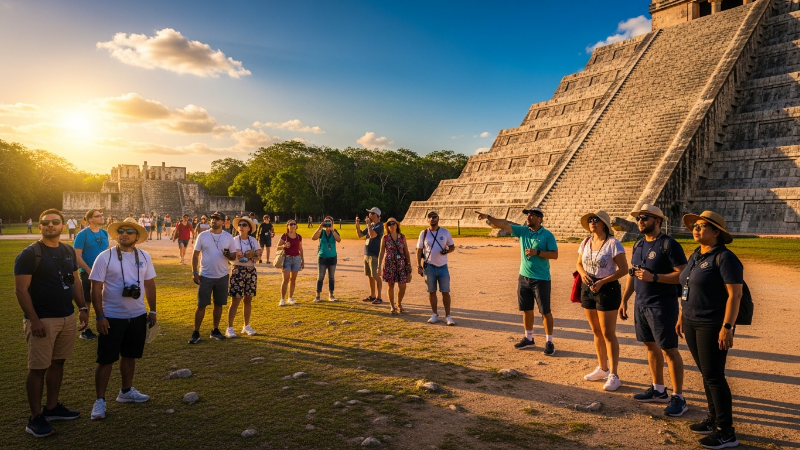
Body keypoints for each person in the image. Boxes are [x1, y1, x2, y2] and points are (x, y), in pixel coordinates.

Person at [14, 209, 89, 437]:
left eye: (55, 222)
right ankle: (35, 418)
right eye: (45, 223)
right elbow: (21, 289)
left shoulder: (67, 250)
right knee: (38, 368)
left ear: (63, 226)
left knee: (58, 363)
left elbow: (75, 281)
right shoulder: (29, 254)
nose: (50, 225)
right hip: (43, 320)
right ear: (39, 227)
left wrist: (83, 308)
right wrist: (34, 319)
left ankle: (52, 407)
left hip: (66, 316)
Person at [678, 211, 743, 449]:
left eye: (702, 226)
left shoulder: (725, 258)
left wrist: (728, 327)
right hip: (692, 320)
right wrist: (681, 315)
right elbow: (686, 286)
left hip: (712, 324)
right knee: (707, 374)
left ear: (717, 232)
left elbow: (735, 294)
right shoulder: (696, 254)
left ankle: (726, 432)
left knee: (715, 376)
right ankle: (713, 419)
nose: (696, 229)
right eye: (695, 226)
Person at [621, 204, 690, 415]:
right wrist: (624, 300)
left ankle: (678, 397)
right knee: (650, 347)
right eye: (638, 218)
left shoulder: (669, 244)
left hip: (662, 305)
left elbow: (684, 275)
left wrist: (656, 277)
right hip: (641, 304)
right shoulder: (638, 244)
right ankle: (659, 390)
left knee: (669, 350)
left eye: (645, 218)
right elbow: (633, 274)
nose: (640, 221)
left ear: (657, 221)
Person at [88, 217, 157, 420]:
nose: (124, 234)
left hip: (137, 315)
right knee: (106, 359)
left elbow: (150, 284)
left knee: (130, 355)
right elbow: (96, 288)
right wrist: (100, 316)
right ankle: (100, 400)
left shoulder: (144, 256)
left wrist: (152, 311)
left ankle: (126, 391)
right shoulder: (105, 256)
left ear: (137, 236)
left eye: (129, 231)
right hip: (112, 316)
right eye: (121, 231)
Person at [477, 207, 559, 355]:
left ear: (539, 218)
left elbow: (555, 255)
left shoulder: (547, 235)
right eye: (527, 214)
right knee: (526, 310)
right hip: (524, 277)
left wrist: (538, 252)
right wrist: (488, 216)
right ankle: (529, 339)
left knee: (545, 311)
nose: (528, 216)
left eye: (532, 214)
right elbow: (503, 225)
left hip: (541, 279)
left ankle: (550, 342)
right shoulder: (523, 231)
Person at [576, 211, 627, 391]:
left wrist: (603, 282)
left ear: (604, 224)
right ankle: (602, 368)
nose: (592, 223)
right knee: (596, 331)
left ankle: (614, 374)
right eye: (590, 220)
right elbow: (579, 263)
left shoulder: (613, 243)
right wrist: (582, 275)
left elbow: (624, 269)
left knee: (608, 333)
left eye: (595, 220)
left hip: (607, 289)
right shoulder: (586, 241)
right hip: (588, 287)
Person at [189, 211, 236, 344]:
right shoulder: (203, 236)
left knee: (219, 304)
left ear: (223, 222)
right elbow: (195, 255)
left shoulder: (228, 237)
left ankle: (215, 330)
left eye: (217, 219)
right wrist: (194, 272)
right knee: (201, 304)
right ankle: (196, 332)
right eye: (212, 218)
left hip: (222, 275)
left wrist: (227, 254)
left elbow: (233, 257)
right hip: (205, 275)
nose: (213, 220)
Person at [73, 209, 109, 340]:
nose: (101, 217)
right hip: (88, 273)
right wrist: (89, 270)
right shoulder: (82, 235)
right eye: (97, 216)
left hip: (105, 273)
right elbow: (76, 256)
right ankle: (85, 330)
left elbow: (107, 251)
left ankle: (105, 325)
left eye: (102, 215)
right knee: (87, 301)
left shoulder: (104, 233)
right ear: (90, 220)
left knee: (105, 300)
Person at [416, 211, 456, 324]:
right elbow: (419, 250)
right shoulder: (423, 233)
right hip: (429, 267)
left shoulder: (445, 232)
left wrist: (447, 250)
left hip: (443, 266)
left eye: (434, 217)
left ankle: (448, 316)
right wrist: (418, 265)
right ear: (427, 220)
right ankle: (435, 314)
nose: (432, 219)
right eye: (430, 217)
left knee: (445, 292)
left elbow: (452, 246)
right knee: (431, 292)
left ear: (438, 218)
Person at [226, 217, 261, 338]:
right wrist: (236, 254)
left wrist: (253, 254)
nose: (241, 226)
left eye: (244, 225)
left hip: (250, 270)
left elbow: (259, 255)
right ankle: (230, 328)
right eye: (239, 224)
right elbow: (228, 255)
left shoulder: (253, 240)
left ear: (249, 228)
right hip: (238, 269)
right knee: (236, 299)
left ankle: (246, 326)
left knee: (248, 298)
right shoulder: (233, 240)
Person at [380, 217, 411, 314]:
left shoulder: (402, 237)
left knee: (402, 286)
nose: (391, 225)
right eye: (389, 224)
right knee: (391, 285)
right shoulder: (385, 238)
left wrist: (409, 265)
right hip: (389, 264)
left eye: (393, 223)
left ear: (397, 225)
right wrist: (378, 266)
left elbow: (406, 252)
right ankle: (392, 306)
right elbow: (381, 253)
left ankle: (399, 303)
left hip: (401, 264)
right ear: (387, 227)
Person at [356, 207, 384, 304]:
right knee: (369, 275)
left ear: (376, 215)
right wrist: (357, 225)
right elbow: (360, 235)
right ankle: (372, 296)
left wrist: (368, 225)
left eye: (371, 213)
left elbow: (372, 235)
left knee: (376, 276)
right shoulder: (371, 225)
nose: (369, 215)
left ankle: (379, 297)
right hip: (367, 253)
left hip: (374, 254)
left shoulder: (379, 225)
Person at [311, 216, 341, 302]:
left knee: (331, 277)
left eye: (329, 222)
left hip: (332, 258)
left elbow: (339, 240)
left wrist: (332, 230)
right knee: (320, 277)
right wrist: (320, 227)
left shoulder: (334, 232)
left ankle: (331, 295)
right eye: (326, 222)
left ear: (332, 223)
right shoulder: (322, 232)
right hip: (322, 258)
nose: (328, 223)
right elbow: (313, 238)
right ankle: (317, 296)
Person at [277, 220, 304, 306]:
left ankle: (290, 297)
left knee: (293, 280)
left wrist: (302, 260)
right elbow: (277, 247)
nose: (293, 226)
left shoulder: (299, 237)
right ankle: (282, 299)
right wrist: (283, 246)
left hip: (296, 259)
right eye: (291, 224)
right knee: (285, 279)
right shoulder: (284, 236)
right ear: (288, 226)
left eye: (294, 224)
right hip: (287, 259)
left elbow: (301, 248)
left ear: (296, 226)